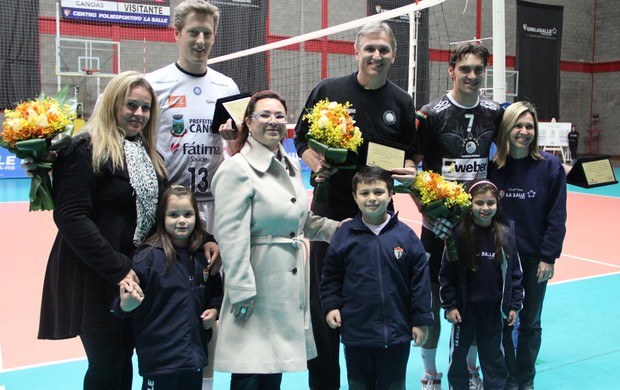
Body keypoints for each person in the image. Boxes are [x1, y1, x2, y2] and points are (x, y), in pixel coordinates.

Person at [293, 21, 417, 390]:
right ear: (356, 51)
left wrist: (409, 171)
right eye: (370, 49)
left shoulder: (402, 102)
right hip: (329, 216)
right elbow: (301, 139)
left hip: (379, 222)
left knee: (378, 300)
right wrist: (317, 164)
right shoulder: (328, 91)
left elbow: (411, 157)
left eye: (383, 49)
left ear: (393, 54)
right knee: (325, 305)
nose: (376, 56)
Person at [38, 71, 168, 390]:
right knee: (107, 364)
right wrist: (119, 268)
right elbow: (71, 216)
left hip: (135, 277)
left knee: (124, 359)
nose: (139, 114)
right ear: (112, 105)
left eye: (146, 108)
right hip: (94, 277)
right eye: (131, 105)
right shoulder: (85, 149)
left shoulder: (151, 156)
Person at [212, 91, 340, 389]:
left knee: (271, 371)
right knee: (250, 371)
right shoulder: (236, 168)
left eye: (280, 116)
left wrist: (341, 229)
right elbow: (231, 236)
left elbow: (300, 222)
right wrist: (241, 288)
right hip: (256, 282)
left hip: (286, 285)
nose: (273, 121)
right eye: (265, 115)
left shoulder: (290, 165)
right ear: (248, 122)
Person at [146, 2, 239, 387]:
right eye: (193, 32)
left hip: (216, 211)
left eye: (207, 33)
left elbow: (235, 149)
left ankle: (206, 382)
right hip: (171, 215)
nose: (201, 40)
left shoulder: (227, 88)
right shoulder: (154, 85)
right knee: (171, 302)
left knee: (212, 301)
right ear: (176, 33)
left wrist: (234, 141)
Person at [413, 42, 504, 390]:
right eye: (465, 68)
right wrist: (426, 212)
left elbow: (510, 152)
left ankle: (469, 368)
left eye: (478, 70)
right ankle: (430, 373)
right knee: (434, 301)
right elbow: (413, 167)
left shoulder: (494, 113)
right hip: (438, 227)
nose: (472, 75)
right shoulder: (431, 114)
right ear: (451, 70)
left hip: (479, 226)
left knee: (477, 302)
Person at [320, 166, 433, 390]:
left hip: (397, 335)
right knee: (359, 385)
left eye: (379, 192)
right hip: (357, 335)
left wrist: (421, 320)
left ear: (391, 194)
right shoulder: (344, 236)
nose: (372, 198)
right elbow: (331, 275)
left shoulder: (406, 236)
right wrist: (331, 305)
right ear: (355, 197)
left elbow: (420, 284)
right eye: (365, 193)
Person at [489, 101, 567, 390]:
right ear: (507, 128)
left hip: (534, 259)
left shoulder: (550, 167)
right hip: (498, 260)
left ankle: (525, 380)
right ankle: (505, 378)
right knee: (501, 322)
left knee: (530, 323)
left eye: (529, 126)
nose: (524, 132)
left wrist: (549, 257)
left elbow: (557, 216)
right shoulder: (493, 168)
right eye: (518, 125)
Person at [116, 185, 223, 390]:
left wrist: (215, 309)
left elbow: (215, 292)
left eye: (187, 214)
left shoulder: (203, 257)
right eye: (173, 215)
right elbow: (122, 304)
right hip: (160, 363)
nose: (182, 220)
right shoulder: (146, 259)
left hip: (193, 360)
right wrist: (125, 305)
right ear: (162, 218)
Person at [439, 180, 524, 390]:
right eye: (479, 203)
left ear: (497, 204)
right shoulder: (457, 234)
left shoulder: (505, 235)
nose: (485, 208)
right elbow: (446, 274)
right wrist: (449, 305)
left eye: (490, 203)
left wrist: (513, 305)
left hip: (494, 311)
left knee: (494, 358)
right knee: (458, 357)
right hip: (464, 310)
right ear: (470, 204)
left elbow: (515, 273)